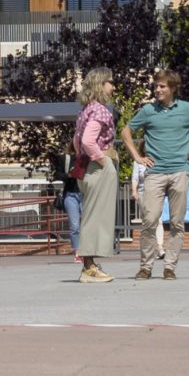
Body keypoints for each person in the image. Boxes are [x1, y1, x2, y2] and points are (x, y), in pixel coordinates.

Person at [124, 70, 189, 281]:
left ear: (173, 88)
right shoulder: (148, 111)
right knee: (149, 220)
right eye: (156, 86)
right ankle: (145, 266)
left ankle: (169, 267)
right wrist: (137, 157)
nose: (157, 90)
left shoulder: (186, 109)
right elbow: (126, 132)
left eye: (162, 86)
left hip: (179, 172)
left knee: (177, 223)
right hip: (154, 173)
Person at [71, 68, 120, 282]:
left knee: (92, 215)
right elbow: (87, 142)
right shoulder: (100, 110)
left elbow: (76, 142)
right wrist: (103, 159)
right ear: (100, 84)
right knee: (95, 217)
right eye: (110, 82)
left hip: (85, 168)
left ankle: (89, 265)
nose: (113, 86)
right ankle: (89, 269)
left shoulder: (85, 110)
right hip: (97, 167)